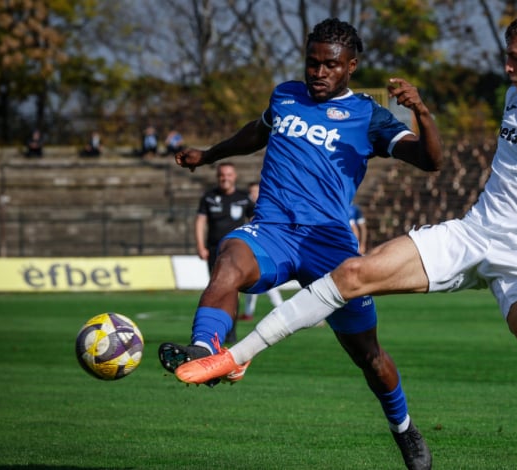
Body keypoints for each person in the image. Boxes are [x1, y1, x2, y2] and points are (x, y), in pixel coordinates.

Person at [175, 7, 517, 469]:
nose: (507, 66)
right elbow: (258, 131)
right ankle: (230, 355)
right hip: (473, 233)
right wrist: (209, 155)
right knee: (351, 274)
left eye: (516, 58)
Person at [158, 18, 442, 470]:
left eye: (330, 65)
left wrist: (422, 113)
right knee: (228, 260)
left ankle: (404, 428)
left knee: (369, 356)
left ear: (351, 66)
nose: (318, 72)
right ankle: (207, 351)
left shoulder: (368, 115)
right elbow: (255, 133)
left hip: (330, 245)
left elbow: (430, 160)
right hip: (272, 229)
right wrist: (208, 155)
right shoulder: (285, 95)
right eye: (312, 63)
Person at [195, 162, 254, 342]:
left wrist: (252, 244)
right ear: (217, 177)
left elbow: (255, 219)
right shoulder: (209, 197)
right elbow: (200, 222)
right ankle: (215, 332)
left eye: (228, 174)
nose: (225, 178)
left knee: (233, 290)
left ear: (234, 176)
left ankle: (231, 332)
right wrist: (200, 246)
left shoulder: (244, 198)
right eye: (222, 175)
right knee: (216, 290)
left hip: (237, 252)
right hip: (214, 250)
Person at [241, 181, 284, 321]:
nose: (253, 194)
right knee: (252, 280)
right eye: (251, 192)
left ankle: (281, 309)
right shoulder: (247, 208)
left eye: (256, 191)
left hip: (265, 248)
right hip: (252, 248)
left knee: (266, 279)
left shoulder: (267, 207)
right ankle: (248, 312)